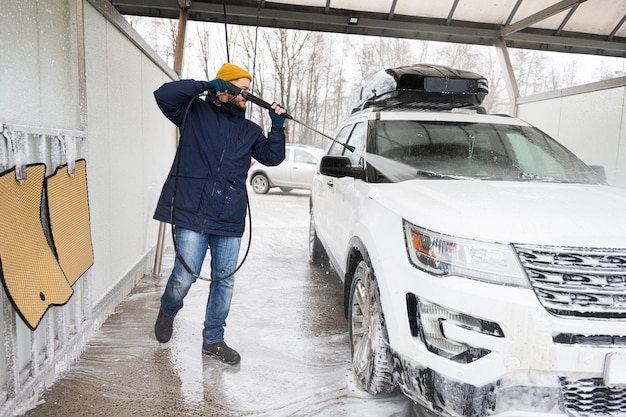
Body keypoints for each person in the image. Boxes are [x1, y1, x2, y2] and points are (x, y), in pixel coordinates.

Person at [152, 63, 287, 365]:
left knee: (224, 280)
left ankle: (213, 339)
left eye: (249, 91)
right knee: (184, 276)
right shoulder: (194, 113)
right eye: (242, 90)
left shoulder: (250, 130)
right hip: (192, 210)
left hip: (229, 216)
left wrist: (277, 127)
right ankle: (168, 309)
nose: (246, 97)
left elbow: (272, 157)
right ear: (225, 88)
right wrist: (204, 85)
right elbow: (163, 95)